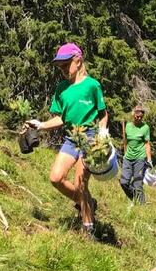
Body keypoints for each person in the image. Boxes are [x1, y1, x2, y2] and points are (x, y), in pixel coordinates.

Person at [26, 43, 108, 238]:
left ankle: (88, 229)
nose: (63, 70)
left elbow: (103, 114)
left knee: (81, 184)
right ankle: (87, 202)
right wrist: (41, 125)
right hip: (71, 139)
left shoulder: (92, 85)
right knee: (55, 178)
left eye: (66, 64)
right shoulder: (61, 89)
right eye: (60, 66)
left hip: (89, 138)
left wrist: (103, 133)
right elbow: (61, 118)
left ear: (78, 61)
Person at [119, 105, 152, 204]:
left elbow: (147, 144)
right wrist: (124, 152)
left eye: (141, 117)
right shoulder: (128, 126)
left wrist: (149, 159)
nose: (139, 118)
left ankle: (142, 205)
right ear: (133, 115)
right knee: (124, 182)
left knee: (138, 183)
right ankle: (135, 197)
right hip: (128, 158)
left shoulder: (145, 127)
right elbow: (125, 141)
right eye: (137, 116)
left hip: (140, 158)